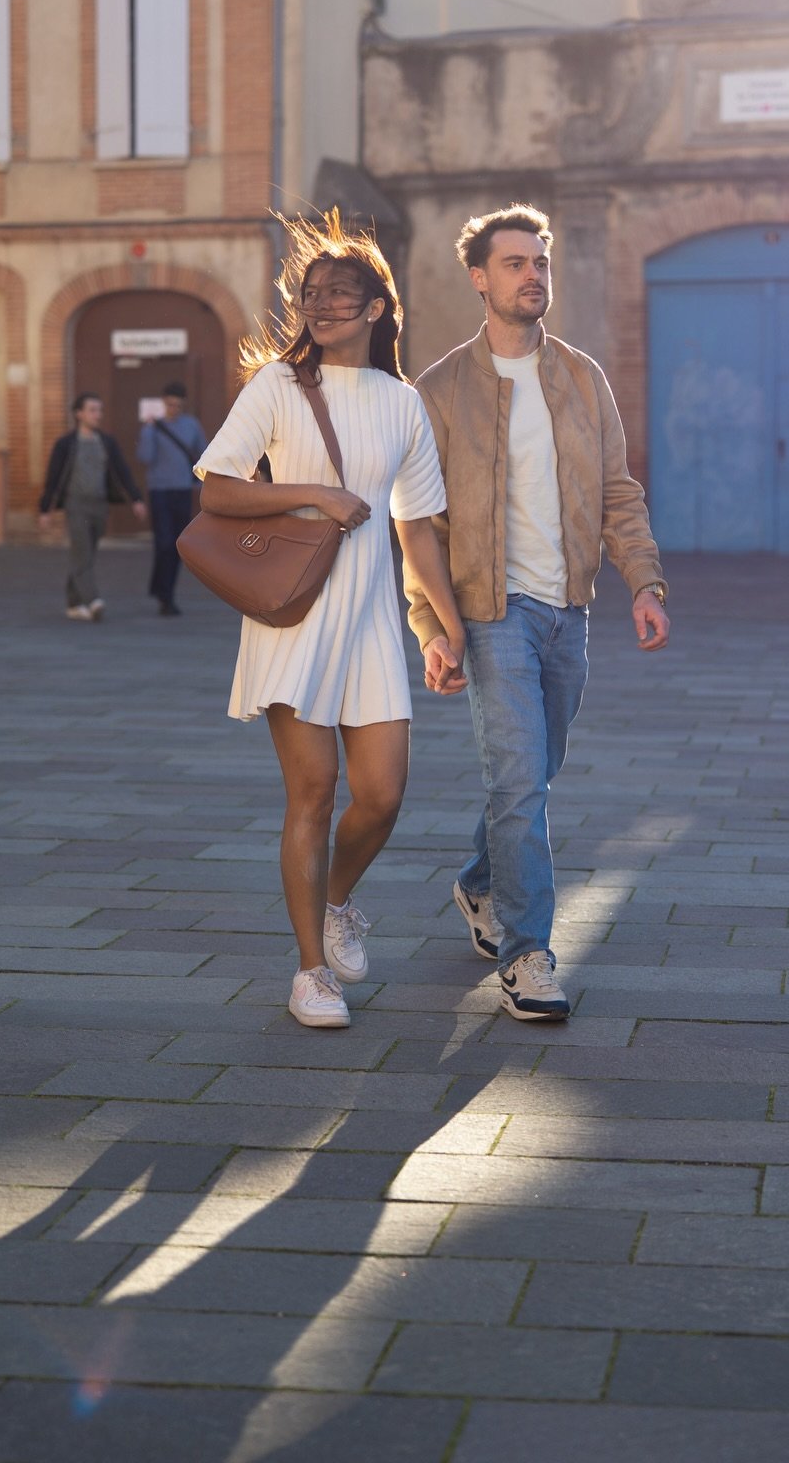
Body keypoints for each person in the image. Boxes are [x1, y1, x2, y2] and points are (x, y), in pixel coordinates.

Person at [195, 212, 468, 1032]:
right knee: (312, 794)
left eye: (339, 295)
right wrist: (314, 495)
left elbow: (416, 526)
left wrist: (443, 629)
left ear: (378, 308)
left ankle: (338, 899)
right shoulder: (278, 387)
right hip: (294, 617)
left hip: (375, 625)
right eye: (310, 295)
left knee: (382, 796)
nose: (321, 307)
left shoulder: (402, 402)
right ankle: (311, 970)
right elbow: (217, 488)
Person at [403, 204, 670, 1021]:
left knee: (533, 775)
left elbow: (618, 492)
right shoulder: (441, 389)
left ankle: (481, 882)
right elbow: (420, 524)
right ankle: (528, 956)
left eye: (540, 263)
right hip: (491, 613)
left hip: (569, 609)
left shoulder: (582, 378)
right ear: (479, 278)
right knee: (519, 782)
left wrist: (646, 582)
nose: (533, 276)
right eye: (515, 263)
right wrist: (435, 628)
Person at [38, 393, 146, 621]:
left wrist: (135, 499)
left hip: (99, 505)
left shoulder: (107, 442)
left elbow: (122, 471)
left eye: (99, 410)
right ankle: (93, 600)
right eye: (92, 410)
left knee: (85, 555)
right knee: (82, 552)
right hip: (75, 504)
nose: (98, 415)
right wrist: (45, 509)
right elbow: (53, 477)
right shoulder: (66, 444)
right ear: (79, 414)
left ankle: (73, 604)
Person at [138, 381, 206, 617]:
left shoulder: (191, 425)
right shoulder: (153, 428)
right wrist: (148, 431)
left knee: (176, 544)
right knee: (163, 542)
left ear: (183, 404)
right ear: (163, 402)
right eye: (169, 404)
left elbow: (202, 454)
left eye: (177, 405)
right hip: (159, 491)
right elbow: (145, 457)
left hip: (182, 491)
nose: (173, 409)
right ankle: (164, 595)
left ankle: (164, 591)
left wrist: (199, 483)